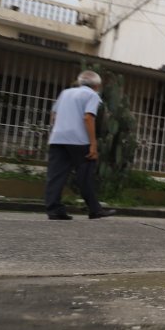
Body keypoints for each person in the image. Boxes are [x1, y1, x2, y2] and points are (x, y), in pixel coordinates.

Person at [44, 70, 115, 220]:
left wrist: (58, 131)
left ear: (79, 82)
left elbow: (54, 116)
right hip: (79, 140)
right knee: (85, 174)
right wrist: (93, 144)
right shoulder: (92, 95)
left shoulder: (65, 93)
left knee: (55, 175)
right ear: (97, 85)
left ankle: (54, 210)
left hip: (58, 138)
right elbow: (88, 118)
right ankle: (95, 209)